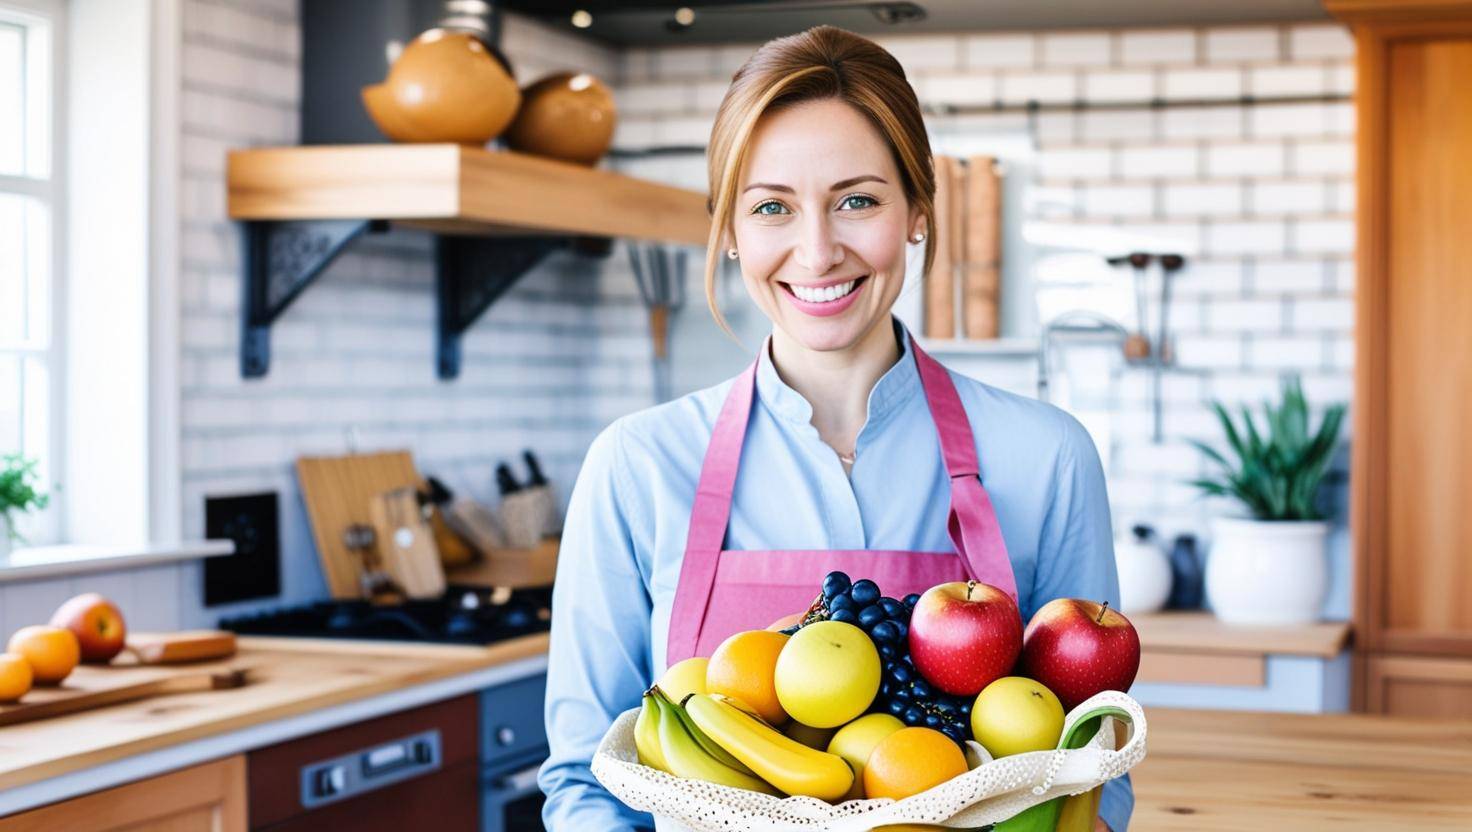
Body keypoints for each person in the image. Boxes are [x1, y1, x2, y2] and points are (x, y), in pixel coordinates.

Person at [538, 25, 1132, 832]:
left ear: (918, 211)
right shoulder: (638, 465)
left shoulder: (1046, 458)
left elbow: (1097, 766)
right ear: (732, 230)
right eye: (772, 207)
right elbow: (585, 781)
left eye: (857, 200)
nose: (816, 252)